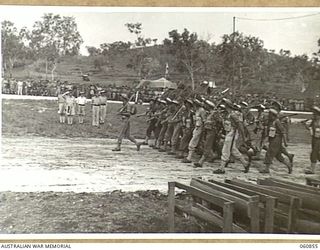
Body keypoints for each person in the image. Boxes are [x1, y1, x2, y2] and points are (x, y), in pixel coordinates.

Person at [213, 99, 250, 174]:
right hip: (229, 132)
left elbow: (240, 125)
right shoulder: (227, 114)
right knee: (233, 150)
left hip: (232, 133)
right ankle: (245, 164)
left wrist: (243, 136)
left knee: (225, 150)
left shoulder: (233, 114)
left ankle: (222, 168)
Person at [259, 108, 293, 174]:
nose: (269, 116)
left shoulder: (277, 122)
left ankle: (266, 169)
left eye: (270, 115)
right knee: (278, 156)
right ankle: (288, 165)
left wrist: (285, 142)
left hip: (276, 139)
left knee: (269, 153)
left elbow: (283, 132)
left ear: (273, 115)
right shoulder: (270, 122)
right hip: (272, 139)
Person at [194, 100, 223, 168]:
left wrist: (218, 129)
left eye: (206, 105)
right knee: (215, 146)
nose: (204, 106)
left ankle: (201, 162)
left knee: (207, 145)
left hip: (212, 131)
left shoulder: (214, 113)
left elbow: (220, 121)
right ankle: (221, 157)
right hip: (207, 130)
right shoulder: (208, 113)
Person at [182, 99, 206, 163]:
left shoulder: (201, 110)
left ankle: (189, 158)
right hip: (196, 127)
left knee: (193, 142)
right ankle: (209, 155)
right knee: (200, 143)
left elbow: (204, 120)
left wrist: (203, 129)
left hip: (200, 128)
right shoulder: (196, 111)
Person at [304, 106, 320, 174]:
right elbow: (309, 127)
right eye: (313, 114)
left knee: (314, 153)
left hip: (319, 139)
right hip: (314, 138)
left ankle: (312, 170)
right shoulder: (313, 121)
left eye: (315, 114)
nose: (314, 115)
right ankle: (312, 168)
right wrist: (306, 124)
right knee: (317, 154)